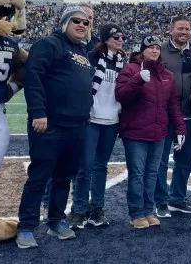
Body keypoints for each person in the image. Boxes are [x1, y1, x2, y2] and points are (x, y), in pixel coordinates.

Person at [16, 6, 95, 248]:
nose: (82, 25)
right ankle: (26, 227)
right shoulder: (48, 44)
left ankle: (56, 220)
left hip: (77, 124)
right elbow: (34, 77)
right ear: (64, 23)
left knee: (64, 177)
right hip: (49, 123)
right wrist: (38, 112)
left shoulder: (82, 51)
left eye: (85, 22)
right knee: (39, 175)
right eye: (76, 21)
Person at [116, 35, 186, 228]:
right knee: (137, 173)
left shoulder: (166, 75)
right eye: (150, 47)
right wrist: (137, 79)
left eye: (157, 47)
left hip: (158, 131)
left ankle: (148, 210)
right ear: (142, 50)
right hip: (135, 132)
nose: (154, 50)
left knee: (152, 173)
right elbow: (121, 96)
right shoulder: (130, 70)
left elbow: (173, 105)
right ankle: (136, 213)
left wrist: (180, 128)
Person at [69, 23, 126, 229]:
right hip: (91, 119)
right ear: (105, 39)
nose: (120, 40)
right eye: (116, 36)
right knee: (85, 166)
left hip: (112, 121)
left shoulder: (123, 62)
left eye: (122, 37)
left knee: (101, 166)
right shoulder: (92, 58)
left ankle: (97, 209)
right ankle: (79, 210)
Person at [155, 15, 191, 216]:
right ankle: (161, 201)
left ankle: (177, 198)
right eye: (180, 29)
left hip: (186, 113)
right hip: (163, 114)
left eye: (187, 29)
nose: (184, 32)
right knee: (161, 159)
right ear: (171, 30)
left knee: (184, 159)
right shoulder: (160, 51)